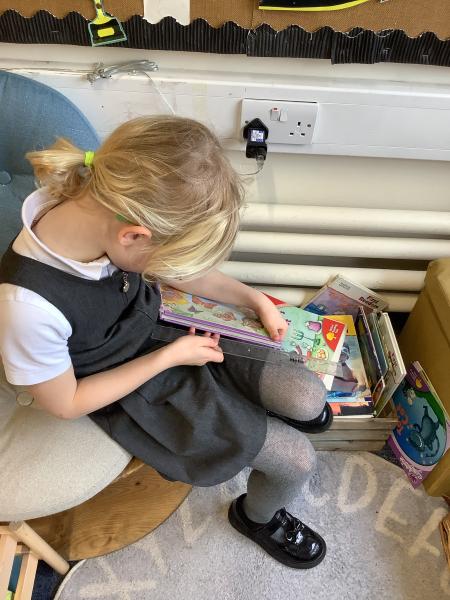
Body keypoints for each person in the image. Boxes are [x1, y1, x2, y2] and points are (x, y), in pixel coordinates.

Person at [0, 116, 331, 569]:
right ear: (135, 236)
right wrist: (168, 358)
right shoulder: (27, 307)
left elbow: (174, 270)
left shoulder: (102, 201)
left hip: (161, 325)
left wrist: (254, 299)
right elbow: (67, 403)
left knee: (308, 397)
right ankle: (258, 517)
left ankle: (250, 406)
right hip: (124, 382)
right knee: (296, 460)